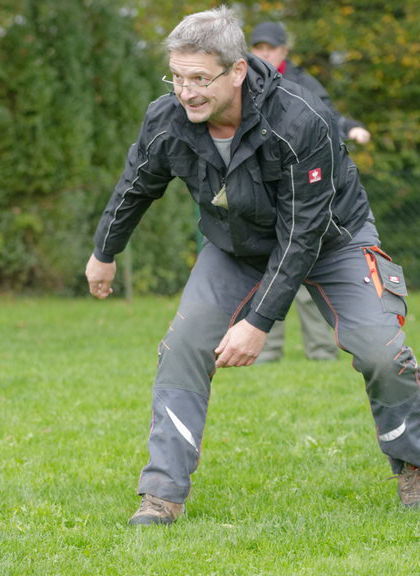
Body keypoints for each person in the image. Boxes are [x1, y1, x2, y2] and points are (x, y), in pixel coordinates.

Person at [84, 6, 420, 524]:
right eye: (176, 77)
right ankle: (162, 494)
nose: (186, 91)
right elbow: (136, 186)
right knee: (184, 344)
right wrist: (104, 252)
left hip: (334, 241)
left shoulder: (300, 119)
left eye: (199, 78)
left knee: (381, 351)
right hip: (235, 246)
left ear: (237, 71)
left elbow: (302, 233)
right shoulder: (168, 119)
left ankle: (414, 464)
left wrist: (258, 322)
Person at [249, 20, 371, 363]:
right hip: (266, 190)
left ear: (284, 51)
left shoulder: (304, 83)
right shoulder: (243, 81)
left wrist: (352, 127)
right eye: (257, 48)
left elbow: (329, 117)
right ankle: (264, 351)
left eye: (269, 48)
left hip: (305, 186)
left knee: (308, 265)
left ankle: (321, 351)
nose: (263, 54)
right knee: (267, 265)